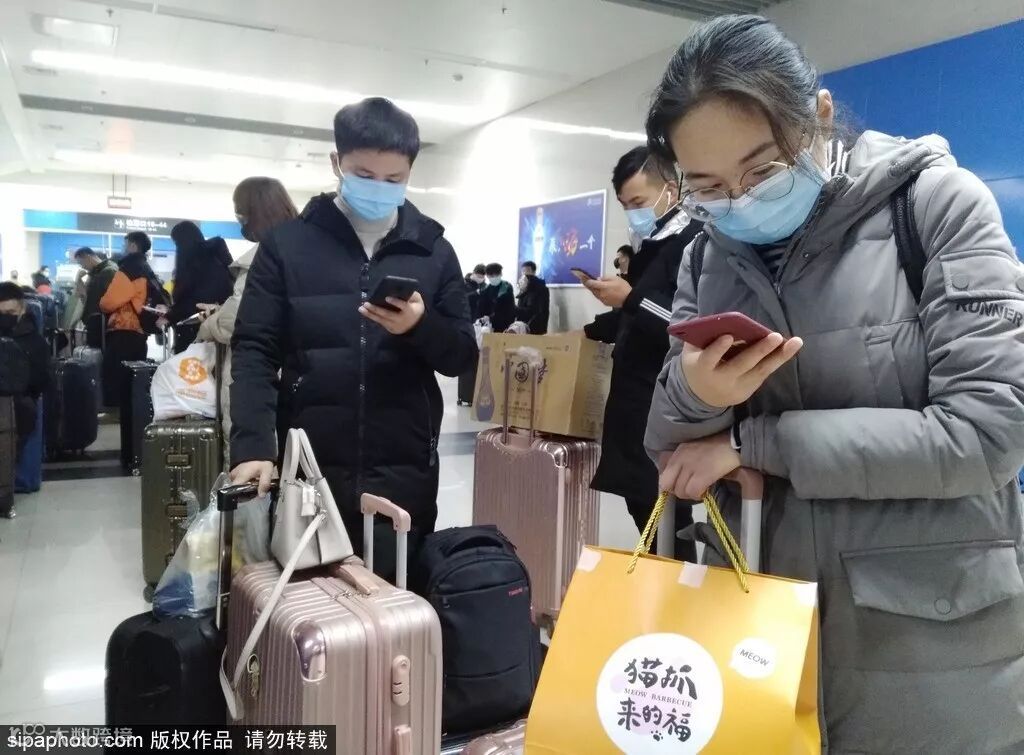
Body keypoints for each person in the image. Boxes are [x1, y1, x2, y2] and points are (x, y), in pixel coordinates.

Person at [643, 14, 1024, 753]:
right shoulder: (706, 256)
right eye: (709, 187)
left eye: (762, 171)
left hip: (927, 646)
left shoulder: (935, 207)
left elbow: (988, 434)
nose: (739, 201)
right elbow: (672, 451)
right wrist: (696, 394)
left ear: (818, 116)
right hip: (754, 630)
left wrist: (753, 442)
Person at [229, 97, 477, 575]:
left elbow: (461, 356)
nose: (379, 188)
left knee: (396, 598)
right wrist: (254, 445)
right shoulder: (287, 246)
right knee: (312, 601)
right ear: (336, 163)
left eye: (393, 178)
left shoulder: (433, 251)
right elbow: (255, 349)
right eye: (364, 174)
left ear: (410, 172)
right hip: (310, 467)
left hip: (403, 470)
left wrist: (420, 328)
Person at [583, 145, 702, 556]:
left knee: (666, 519)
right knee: (644, 511)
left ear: (671, 189)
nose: (632, 213)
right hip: (633, 405)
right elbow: (634, 317)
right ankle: (662, 585)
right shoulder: (649, 245)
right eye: (624, 205)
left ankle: (678, 589)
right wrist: (592, 327)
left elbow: (687, 327)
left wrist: (630, 298)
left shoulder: (692, 242)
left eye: (638, 202)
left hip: (663, 404)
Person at [195, 177, 298, 464]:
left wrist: (209, 323)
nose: (240, 219)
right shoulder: (304, 248)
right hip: (295, 375)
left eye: (240, 212)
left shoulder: (263, 257)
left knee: (255, 465)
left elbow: (237, 320)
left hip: (260, 378)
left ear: (255, 211)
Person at [0, 282, 50, 517]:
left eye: (10, 313)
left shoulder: (35, 342)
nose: (5, 318)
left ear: (21, 310)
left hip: (21, 402)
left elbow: (40, 381)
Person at [99, 232, 157, 408]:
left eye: (124, 245)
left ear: (133, 246)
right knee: (135, 379)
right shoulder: (146, 268)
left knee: (115, 377)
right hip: (140, 330)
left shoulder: (129, 268)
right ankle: (134, 414)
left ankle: (117, 415)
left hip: (124, 329)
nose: (122, 248)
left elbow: (109, 302)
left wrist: (101, 303)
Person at [166, 221, 234, 353]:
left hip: (196, 333)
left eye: (177, 243)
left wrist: (170, 314)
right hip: (218, 332)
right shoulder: (217, 258)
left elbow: (195, 302)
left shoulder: (194, 263)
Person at [73, 247, 118, 348]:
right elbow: (82, 295)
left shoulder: (108, 272)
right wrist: (78, 280)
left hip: (103, 323)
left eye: (81, 263)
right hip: (96, 321)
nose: (82, 267)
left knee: (98, 352)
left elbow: (89, 297)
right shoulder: (95, 273)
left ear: (87, 257)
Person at [478, 263, 515, 333]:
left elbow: (509, 309)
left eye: (496, 275)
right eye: (491, 276)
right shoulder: (485, 289)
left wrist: (491, 318)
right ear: (487, 276)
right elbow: (482, 308)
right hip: (487, 326)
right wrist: (484, 319)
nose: (494, 277)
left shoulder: (506, 288)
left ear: (501, 274)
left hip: (504, 325)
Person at [515, 261, 549, 334]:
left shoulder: (540, 288)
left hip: (535, 328)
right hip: (522, 327)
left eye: (527, 271)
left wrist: (515, 310)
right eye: (523, 271)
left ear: (534, 272)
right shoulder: (524, 288)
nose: (524, 274)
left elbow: (535, 311)